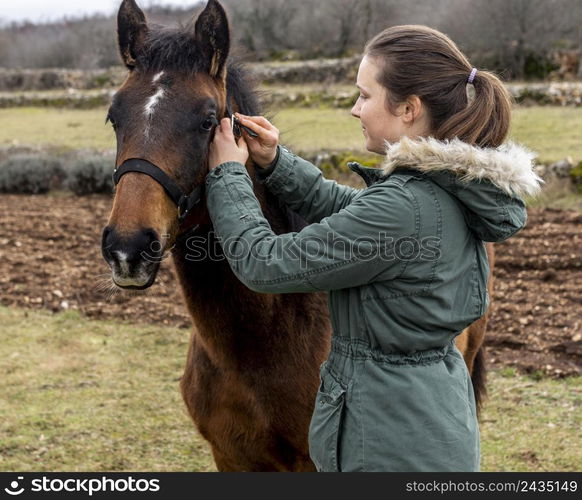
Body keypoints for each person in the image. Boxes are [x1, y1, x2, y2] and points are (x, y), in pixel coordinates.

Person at [204, 25, 542, 472]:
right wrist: (275, 161)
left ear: (408, 108)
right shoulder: (442, 188)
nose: (353, 109)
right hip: (422, 422)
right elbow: (351, 209)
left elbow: (264, 263)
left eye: (364, 95)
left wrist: (228, 174)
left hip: (386, 441)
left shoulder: (405, 205)